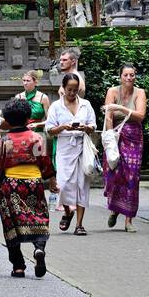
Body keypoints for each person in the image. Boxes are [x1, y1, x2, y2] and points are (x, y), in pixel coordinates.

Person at [0, 98, 55, 279]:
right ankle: (38, 249)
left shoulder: (5, 141)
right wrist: (51, 179)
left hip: (11, 185)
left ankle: (18, 266)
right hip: (34, 183)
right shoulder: (36, 138)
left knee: (11, 223)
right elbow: (44, 162)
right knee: (39, 216)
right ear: (29, 118)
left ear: (8, 120)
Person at [46, 73, 97, 235]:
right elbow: (49, 130)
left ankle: (79, 224)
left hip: (82, 146)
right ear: (63, 88)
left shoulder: (85, 104)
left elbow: (93, 125)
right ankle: (68, 212)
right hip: (64, 148)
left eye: (75, 90)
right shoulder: (56, 106)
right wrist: (62, 127)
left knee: (82, 184)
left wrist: (86, 128)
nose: (72, 93)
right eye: (69, 89)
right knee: (63, 184)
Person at [102, 64, 146, 232]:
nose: (129, 78)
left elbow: (140, 116)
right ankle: (114, 209)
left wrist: (119, 107)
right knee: (115, 174)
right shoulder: (112, 91)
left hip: (134, 137)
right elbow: (108, 115)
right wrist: (110, 138)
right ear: (120, 76)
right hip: (115, 136)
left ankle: (129, 220)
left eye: (132, 75)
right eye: (126, 75)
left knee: (132, 177)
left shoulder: (139, 92)